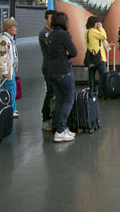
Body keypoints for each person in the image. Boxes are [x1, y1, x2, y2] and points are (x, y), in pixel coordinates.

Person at [47, 12, 77, 142]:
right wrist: (67, 55)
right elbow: (74, 52)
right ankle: (61, 130)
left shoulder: (50, 34)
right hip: (64, 70)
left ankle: (58, 128)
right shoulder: (64, 35)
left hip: (52, 71)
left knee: (59, 100)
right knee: (69, 99)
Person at [0, 19, 20, 118]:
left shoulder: (9, 39)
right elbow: (1, 57)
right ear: (8, 28)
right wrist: (3, 71)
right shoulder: (3, 41)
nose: (16, 29)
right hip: (8, 70)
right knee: (10, 89)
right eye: (14, 27)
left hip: (11, 68)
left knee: (10, 89)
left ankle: (10, 108)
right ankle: (10, 110)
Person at [39, 10, 56, 131]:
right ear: (46, 20)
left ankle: (53, 117)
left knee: (55, 92)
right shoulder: (44, 33)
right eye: (51, 19)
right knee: (50, 92)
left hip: (55, 67)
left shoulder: (54, 32)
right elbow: (53, 47)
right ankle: (45, 119)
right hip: (48, 66)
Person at [85, 16, 108, 98]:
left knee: (91, 75)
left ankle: (92, 91)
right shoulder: (93, 31)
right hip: (99, 57)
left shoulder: (87, 31)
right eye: (97, 23)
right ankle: (101, 93)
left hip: (90, 57)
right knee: (102, 75)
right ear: (94, 23)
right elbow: (104, 36)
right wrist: (101, 28)